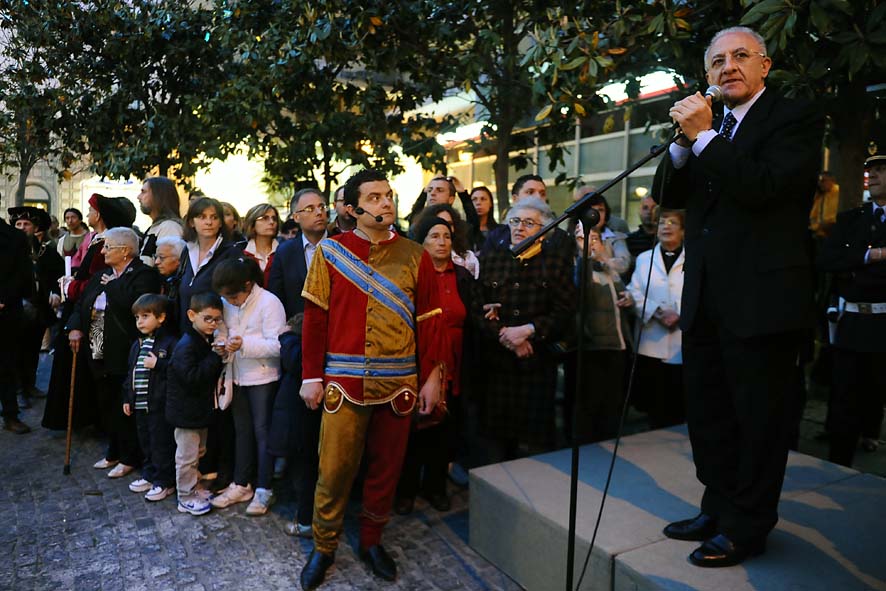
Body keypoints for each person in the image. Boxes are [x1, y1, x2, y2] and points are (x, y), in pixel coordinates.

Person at [653, 26, 824, 567]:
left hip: (764, 302)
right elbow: (666, 195)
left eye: (740, 56)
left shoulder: (792, 117)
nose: (728, 67)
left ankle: (748, 526)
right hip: (707, 301)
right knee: (710, 416)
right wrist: (684, 142)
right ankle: (717, 506)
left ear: (765, 66)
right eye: (717, 61)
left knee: (758, 420)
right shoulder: (711, 127)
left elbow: (765, 189)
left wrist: (705, 138)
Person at [298, 169, 447, 590]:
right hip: (342, 384)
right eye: (375, 197)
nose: (385, 203)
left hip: (399, 384)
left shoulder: (415, 254)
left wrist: (433, 377)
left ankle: (371, 541)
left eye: (389, 196)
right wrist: (311, 377)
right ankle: (324, 546)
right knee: (334, 469)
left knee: (387, 469)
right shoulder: (330, 253)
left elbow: (431, 322)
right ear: (353, 208)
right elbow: (314, 321)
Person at [473, 197, 576, 459]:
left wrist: (529, 329)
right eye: (515, 221)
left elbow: (566, 311)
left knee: (534, 444)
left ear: (543, 232)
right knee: (495, 442)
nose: (520, 227)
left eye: (529, 223)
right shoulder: (491, 259)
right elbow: (478, 306)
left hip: (537, 364)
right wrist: (507, 336)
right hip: (498, 365)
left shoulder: (555, 263)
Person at [67, 227, 162, 478]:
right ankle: (114, 449)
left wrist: (115, 286)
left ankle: (130, 456)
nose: (104, 251)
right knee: (105, 400)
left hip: (124, 347)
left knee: (125, 403)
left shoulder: (144, 275)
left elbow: (133, 305)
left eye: (109, 247)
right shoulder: (102, 275)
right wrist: (75, 327)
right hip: (97, 343)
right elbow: (82, 303)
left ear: (125, 251)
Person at [395, 215, 473, 514]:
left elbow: (471, 316)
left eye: (447, 236)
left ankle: (436, 487)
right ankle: (406, 490)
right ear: (422, 242)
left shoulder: (463, 276)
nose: (442, 242)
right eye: (435, 236)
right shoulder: (410, 274)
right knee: (413, 430)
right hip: (417, 360)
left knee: (446, 429)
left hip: (455, 361)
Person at [42, 195, 136, 432]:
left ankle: (104, 423)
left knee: (98, 368)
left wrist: (72, 287)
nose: (88, 214)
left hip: (98, 318)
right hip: (84, 312)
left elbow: (96, 283)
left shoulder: (108, 243)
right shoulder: (96, 241)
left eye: (91, 210)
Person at [818, 147, 886, 467]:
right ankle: (837, 465)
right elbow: (827, 260)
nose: (872, 175)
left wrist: (854, 265)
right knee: (844, 395)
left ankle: (871, 432)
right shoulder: (850, 220)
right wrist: (870, 257)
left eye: (881, 170)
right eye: (871, 170)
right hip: (853, 322)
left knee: (875, 393)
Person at [267, 187, 329, 537]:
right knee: (303, 440)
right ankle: (306, 513)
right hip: (300, 352)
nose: (319, 212)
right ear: (296, 216)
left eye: (322, 206)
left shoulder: (343, 245)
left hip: (338, 351)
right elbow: (276, 300)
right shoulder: (287, 253)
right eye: (310, 208)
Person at [210, 257, 286, 515]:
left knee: (262, 433)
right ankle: (242, 483)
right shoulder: (226, 301)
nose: (231, 302)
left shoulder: (269, 302)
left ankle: (264, 488)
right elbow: (221, 330)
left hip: (263, 377)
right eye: (226, 298)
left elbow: (278, 345)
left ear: (248, 284)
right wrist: (221, 342)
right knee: (241, 431)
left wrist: (243, 344)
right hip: (237, 374)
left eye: (234, 296)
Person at [567, 224, 634, 443]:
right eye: (581, 238)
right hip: (592, 345)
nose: (589, 242)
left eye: (594, 238)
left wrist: (629, 298)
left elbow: (624, 291)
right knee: (590, 402)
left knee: (612, 400)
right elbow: (581, 292)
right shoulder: (575, 268)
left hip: (617, 343)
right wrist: (585, 257)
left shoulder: (606, 268)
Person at [165, 292, 227, 516]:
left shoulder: (200, 339)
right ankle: (185, 495)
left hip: (196, 411)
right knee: (187, 457)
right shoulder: (187, 345)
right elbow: (192, 378)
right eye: (207, 319)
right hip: (186, 412)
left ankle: (194, 487)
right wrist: (215, 356)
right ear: (192, 315)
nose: (212, 324)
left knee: (197, 452)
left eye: (217, 320)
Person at [627, 210, 686, 429]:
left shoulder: (694, 258)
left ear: (683, 230)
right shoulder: (644, 259)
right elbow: (633, 292)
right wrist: (657, 311)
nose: (666, 227)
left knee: (679, 404)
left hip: (682, 340)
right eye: (662, 222)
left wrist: (680, 313)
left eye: (673, 223)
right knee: (653, 403)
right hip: (651, 340)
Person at [123, 294, 178, 502]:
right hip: (140, 404)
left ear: (161, 317)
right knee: (145, 442)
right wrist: (127, 398)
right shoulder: (137, 344)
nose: (140, 322)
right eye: (137, 318)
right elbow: (131, 373)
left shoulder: (169, 343)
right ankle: (149, 474)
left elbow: (176, 370)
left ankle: (165, 481)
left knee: (160, 443)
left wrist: (159, 365)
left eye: (145, 316)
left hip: (158, 404)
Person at [9, 206, 64, 408]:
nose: (22, 227)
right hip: (14, 308)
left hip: (39, 308)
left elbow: (58, 276)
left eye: (27, 224)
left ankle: (29, 384)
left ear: (35, 228)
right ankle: (18, 390)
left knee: (32, 349)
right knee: (16, 351)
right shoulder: (8, 249)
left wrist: (56, 292)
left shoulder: (46, 253)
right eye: (18, 224)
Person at [176, 197, 241, 334]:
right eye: (202, 217)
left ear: (220, 223)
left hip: (218, 334)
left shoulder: (231, 252)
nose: (209, 222)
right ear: (191, 222)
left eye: (214, 217)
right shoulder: (187, 251)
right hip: (186, 333)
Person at [0, 210, 34, 434]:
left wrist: (3, 299)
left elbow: (23, 274)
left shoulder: (15, 237)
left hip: (6, 310)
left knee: (6, 365)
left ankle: (10, 414)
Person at [413, 203, 479, 279]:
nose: (444, 228)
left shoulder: (468, 258)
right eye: (439, 223)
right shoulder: (413, 266)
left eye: (449, 224)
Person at [137, 176, 184, 265]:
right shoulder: (156, 227)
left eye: (144, 192)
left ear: (158, 196)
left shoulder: (170, 227)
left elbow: (168, 266)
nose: (139, 197)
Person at [241, 204, 281, 287]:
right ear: (252, 224)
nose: (271, 222)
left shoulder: (285, 251)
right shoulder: (240, 253)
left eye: (274, 218)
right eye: (265, 218)